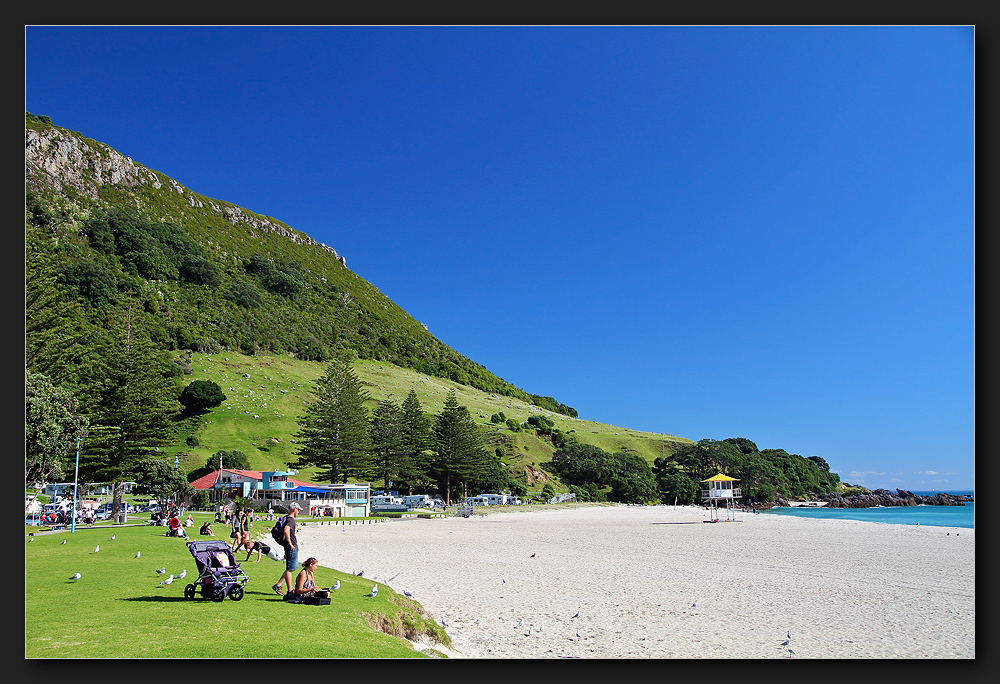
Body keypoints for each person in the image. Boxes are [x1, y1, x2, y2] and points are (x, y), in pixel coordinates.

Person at [272, 502, 301, 596]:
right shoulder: (291, 520)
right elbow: (286, 530)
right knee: (290, 569)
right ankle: (290, 590)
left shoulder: (285, 518)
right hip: (291, 547)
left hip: (288, 546)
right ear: (294, 509)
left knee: (292, 568)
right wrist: (290, 543)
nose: (298, 512)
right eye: (298, 510)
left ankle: (279, 584)